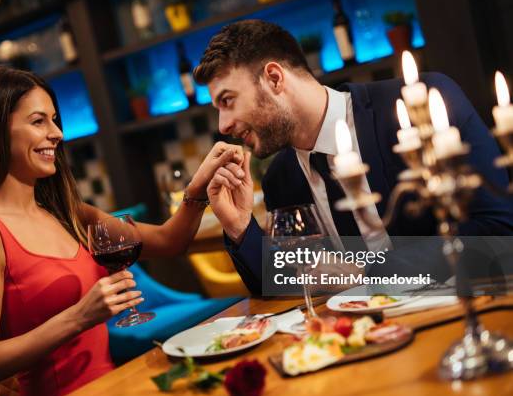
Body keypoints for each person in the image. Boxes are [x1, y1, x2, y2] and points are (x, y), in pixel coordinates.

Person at [0, 66, 245, 396]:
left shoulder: (67, 213)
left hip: (115, 387)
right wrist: (80, 316)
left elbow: (168, 241)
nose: (57, 133)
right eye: (38, 121)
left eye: (54, 119)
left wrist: (197, 189)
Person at [194, 19, 513, 295]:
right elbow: (290, 285)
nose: (223, 125)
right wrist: (240, 229)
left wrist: (368, 275)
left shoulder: (419, 108)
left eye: (228, 100)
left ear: (274, 78)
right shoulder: (282, 177)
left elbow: (498, 231)